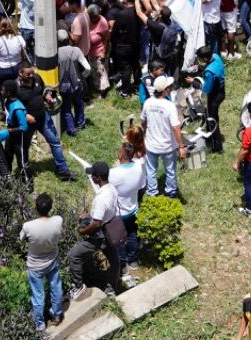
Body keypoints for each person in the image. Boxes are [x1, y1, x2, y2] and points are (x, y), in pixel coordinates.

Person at [67, 161, 122, 294]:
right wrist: (90, 215)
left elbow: (97, 224)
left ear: (98, 177)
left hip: (100, 236)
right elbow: (103, 214)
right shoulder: (112, 189)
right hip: (111, 230)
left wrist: (82, 231)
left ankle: (79, 287)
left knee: (74, 255)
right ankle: (111, 289)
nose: (91, 177)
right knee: (114, 261)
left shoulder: (101, 198)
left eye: (93, 175)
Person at [21, 192, 65, 331]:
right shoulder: (58, 220)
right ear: (51, 207)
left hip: (35, 266)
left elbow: (22, 238)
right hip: (52, 261)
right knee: (56, 288)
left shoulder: (28, 226)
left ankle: (40, 325)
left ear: (35, 207)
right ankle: (57, 315)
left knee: (38, 295)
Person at [109, 141, 146, 285]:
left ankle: (123, 265)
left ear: (120, 155)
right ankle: (134, 260)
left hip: (120, 213)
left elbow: (107, 189)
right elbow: (142, 186)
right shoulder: (138, 168)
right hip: (134, 208)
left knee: (119, 240)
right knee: (133, 235)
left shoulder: (114, 173)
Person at [141, 74, 184, 198]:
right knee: (170, 171)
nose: (170, 88)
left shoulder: (148, 103)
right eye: (169, 87)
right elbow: (176, 128)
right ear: (164, 90)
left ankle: (152, 193)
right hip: (167, 147)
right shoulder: (169, 106)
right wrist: (181, 147)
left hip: (151, 145)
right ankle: (171, 193)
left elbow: (143, 121)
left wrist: (145, 132)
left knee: (151, 171)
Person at [194, 45, 227, 154]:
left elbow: (206, 89)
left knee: (213, 120)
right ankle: (209, 136)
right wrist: (202, 68)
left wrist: (193, 82)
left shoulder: (209, 72)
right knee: (210, 116)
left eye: (199, 58)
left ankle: (217, 146)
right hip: (221, 92)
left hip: (214, 97)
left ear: (204, 59)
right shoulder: (216, 56)